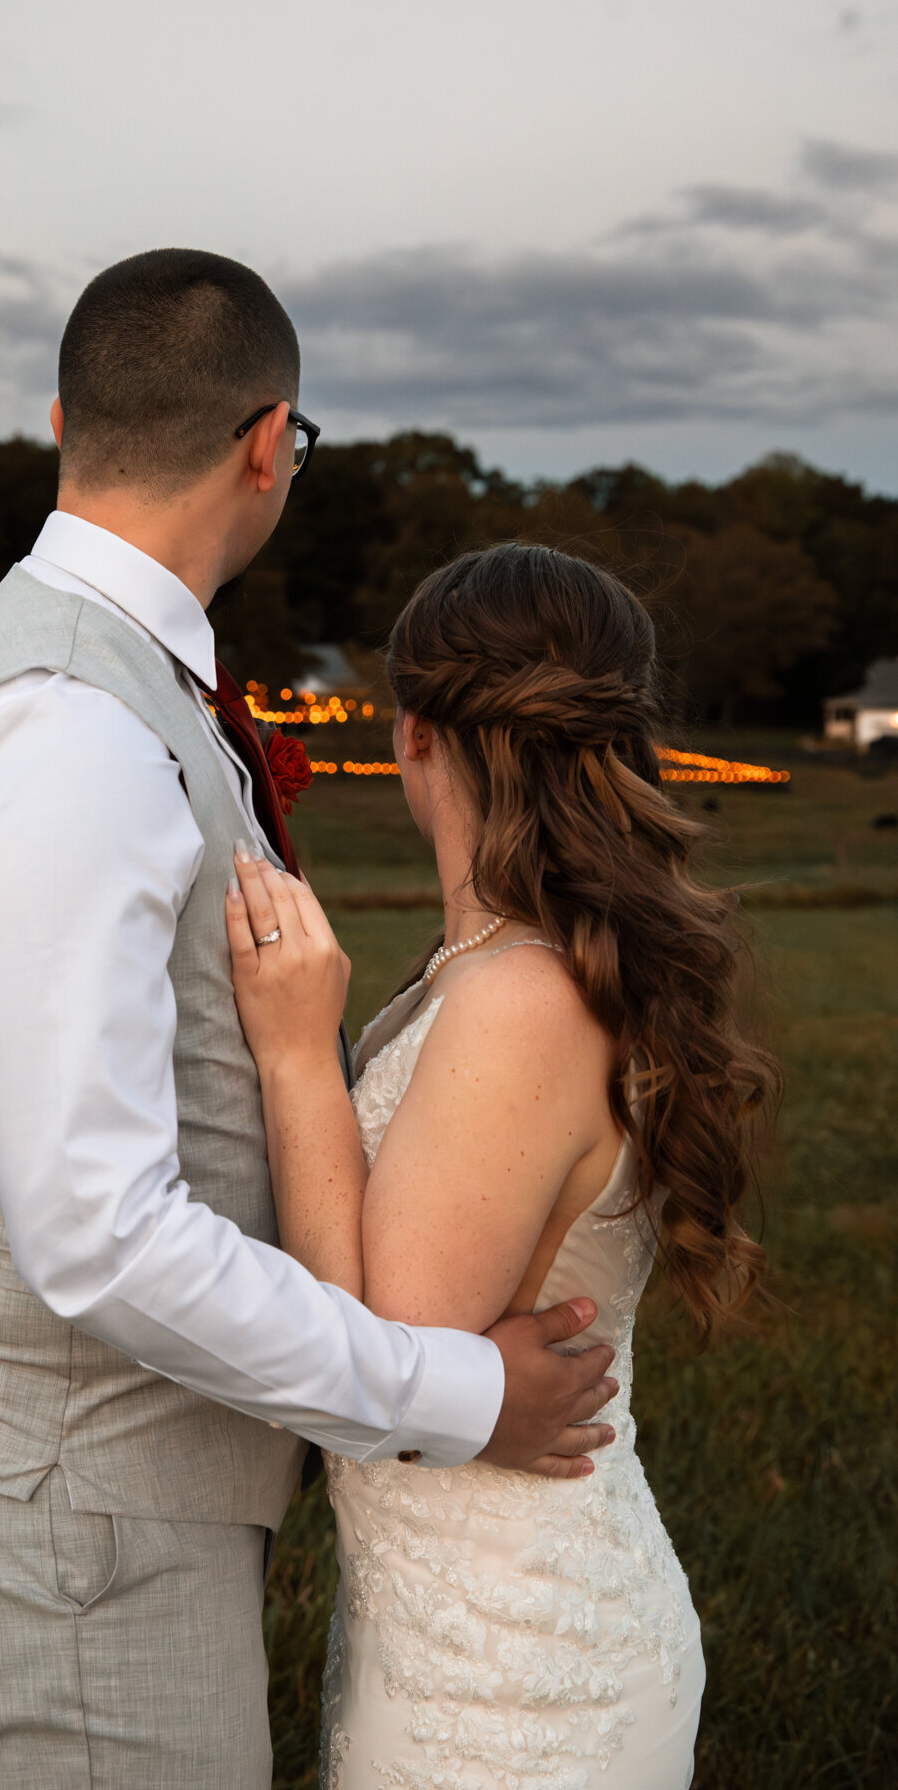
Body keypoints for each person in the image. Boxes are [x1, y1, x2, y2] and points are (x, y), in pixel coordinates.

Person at [0, 251, 618, 1790]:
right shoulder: (65, 732)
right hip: (66, 1535)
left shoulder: (117, 687)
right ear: (270, 444)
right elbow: (94, 1234)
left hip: (113, 1516)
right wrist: (459, 1394)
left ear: (65, 418)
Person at [225, 543, 779, 1790]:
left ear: (416, 733)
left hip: (515, 1670)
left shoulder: (523, 997)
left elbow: (384, 1357)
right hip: (459, 1623)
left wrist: (299, 1056)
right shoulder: (508, 968)